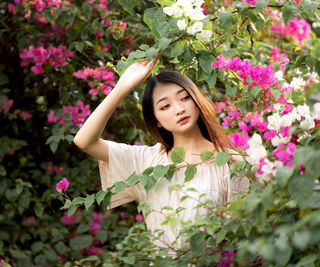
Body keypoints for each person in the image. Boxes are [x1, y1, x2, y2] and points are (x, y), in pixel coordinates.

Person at [73, 55, 249, 253]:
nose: (179, 109)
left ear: (196, 100)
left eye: (184, 98)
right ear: (156, 119)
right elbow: (84, 141)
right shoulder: (148, 162)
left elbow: (243, 239)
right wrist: (122, 87)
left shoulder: (230, 161)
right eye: (165, 106)